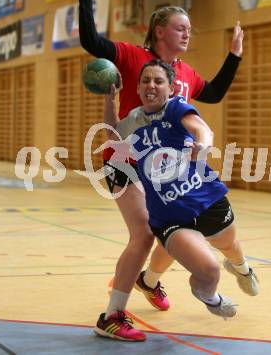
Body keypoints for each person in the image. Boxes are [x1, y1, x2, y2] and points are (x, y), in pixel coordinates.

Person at [63, 0, 245, 342]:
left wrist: (234, 58)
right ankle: (112, 315)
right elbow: (93, 42)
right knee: (145, 233)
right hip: (126, 159)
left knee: (171, 230)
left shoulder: (184, 72)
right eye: (181, 27)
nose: (188, 32)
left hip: (164, 171)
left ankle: (149, 281)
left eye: (190, 28)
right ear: (160, 31)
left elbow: (211, 94)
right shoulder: (133, 57)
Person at [101, 59, 259, 326]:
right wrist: (110, 99)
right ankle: (211, 299)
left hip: (206, 200)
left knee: (229, 245)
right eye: (145, 80)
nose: (151, 85)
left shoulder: (175, 108)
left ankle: (242, 267)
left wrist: (203, 145)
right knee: (209, 272)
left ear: (171, 88)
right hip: (170, 218)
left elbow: (202, 129)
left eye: (158, 81)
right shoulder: (134, 120)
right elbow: (114, 135)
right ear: (138, 88)